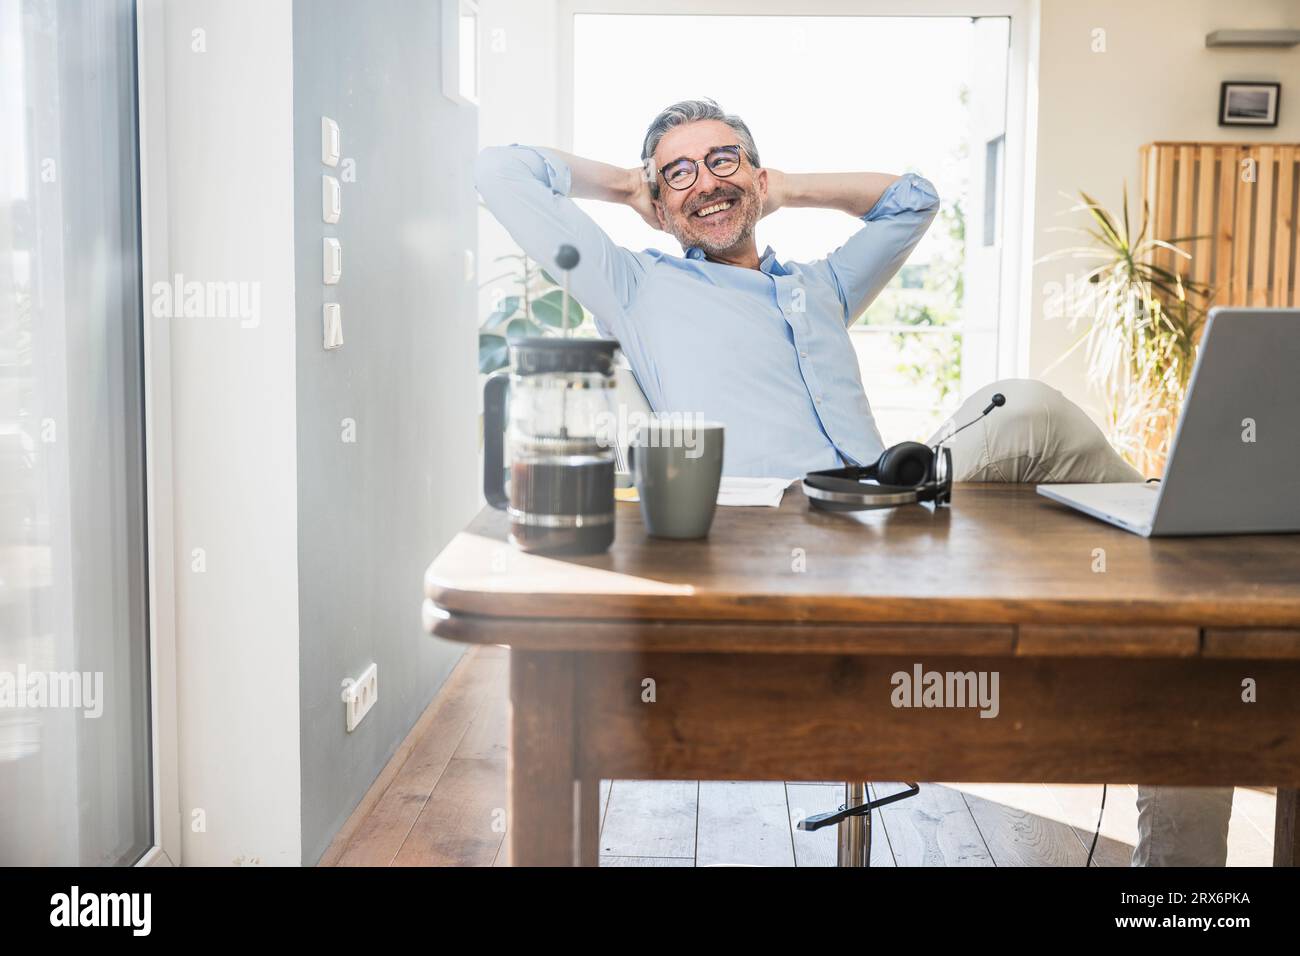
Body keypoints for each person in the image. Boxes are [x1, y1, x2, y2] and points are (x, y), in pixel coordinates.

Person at [474, 97, 1234, 866]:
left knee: (1031, 410)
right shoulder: (633, 285)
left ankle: (1185, 582)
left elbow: (915, 200)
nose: (705, 182)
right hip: (777, 532)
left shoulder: (821, 287)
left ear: (755, 176)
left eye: (723, 161)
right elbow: (499, 172)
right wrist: (624, 185)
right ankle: (1179, 578)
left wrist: (786, 184)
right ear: (661, 203)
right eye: (679, 172)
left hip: (898, 508)